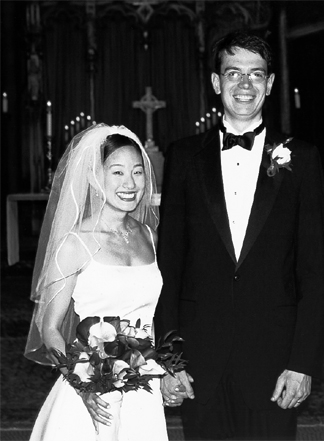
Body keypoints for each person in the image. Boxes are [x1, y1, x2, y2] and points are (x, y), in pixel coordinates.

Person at [155, 31, 324, 440]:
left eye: (256, 75)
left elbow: (313, 271)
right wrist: (170, 360)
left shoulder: (300, 158)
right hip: (199, 364)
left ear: (269, 84)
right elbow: (170, 265)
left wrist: (302, 363)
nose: (244, 85)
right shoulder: (183, 157)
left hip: (274, 366)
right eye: (233, 73)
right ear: (217, 83)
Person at [25, 124, 171, 441]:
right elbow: (49, 327)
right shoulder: (75, 243)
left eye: (137, 172)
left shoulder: (149, 235)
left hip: (144, 384)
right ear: (95, 177)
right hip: (91, 387)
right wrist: (82, 385)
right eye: (117, 172)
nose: (130, 183)